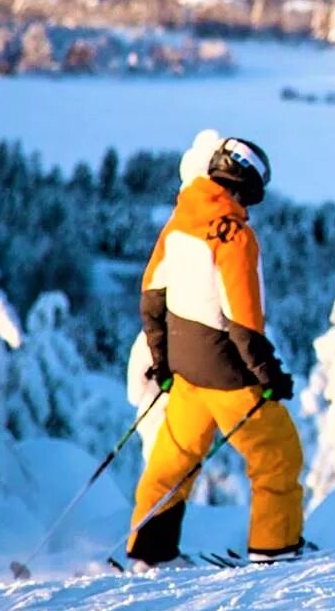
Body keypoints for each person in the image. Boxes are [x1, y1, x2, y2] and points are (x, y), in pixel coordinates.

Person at [131, 135, 305, 567]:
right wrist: (268, 374)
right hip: (228, 375)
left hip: (187, 372)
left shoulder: (179, 223)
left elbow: (152, 297)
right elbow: (243, 318)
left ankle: (150, 550)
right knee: (278, 456)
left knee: (172, 461)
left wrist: (162, 361)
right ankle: (274, 548)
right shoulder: (234, 236)